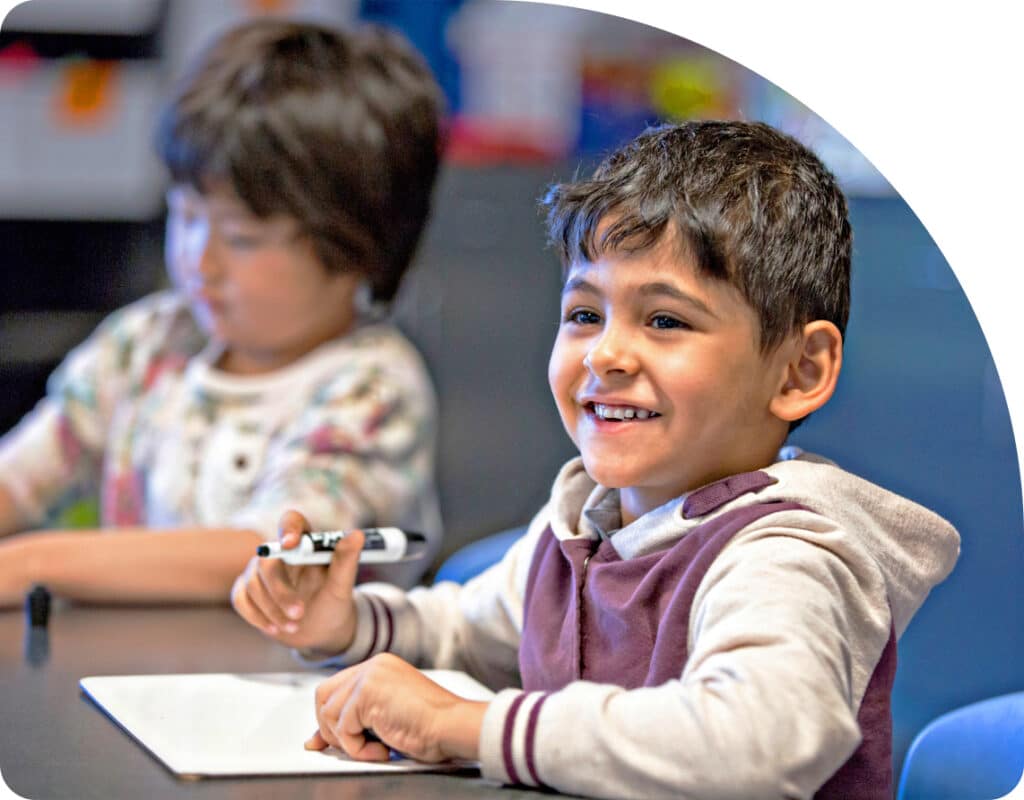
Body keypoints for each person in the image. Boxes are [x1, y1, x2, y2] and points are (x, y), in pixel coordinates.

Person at [230, 121, 960, 799]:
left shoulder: (785, 555)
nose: (605, 353)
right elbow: (466, 631)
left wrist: (467, 726)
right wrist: (345, 623)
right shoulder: (586, 522)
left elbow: (758, 740)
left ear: (799, 371)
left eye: (665, 320)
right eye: (584, 314)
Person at [0, 18, 445, 606]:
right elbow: (20, 478)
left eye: (240, 237)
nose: (198, 260)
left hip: (303, 664)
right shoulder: (148, 343)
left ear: (358, 246)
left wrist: (33, 563)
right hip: (137, 661)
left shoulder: (371, 388)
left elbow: (270, 552)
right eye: (185, 216)